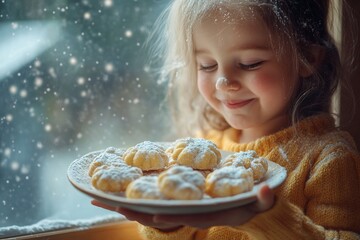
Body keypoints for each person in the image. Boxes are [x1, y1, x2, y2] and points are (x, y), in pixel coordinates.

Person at [93, 0, 360, 239]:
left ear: (308, 58)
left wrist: (264, 218)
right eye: (207, 65)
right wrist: (165, 223)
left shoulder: (328, 159)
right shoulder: (206, 150)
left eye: (250, 63)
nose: (223, 81)